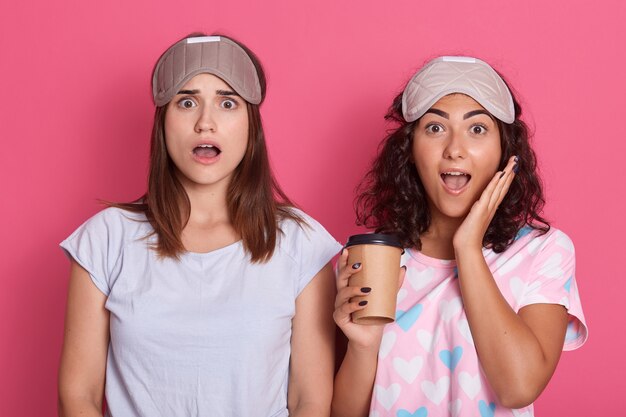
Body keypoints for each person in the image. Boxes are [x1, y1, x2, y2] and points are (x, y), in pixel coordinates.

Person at [58, 33, 341, 417]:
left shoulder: (300, 241)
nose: (205, 123)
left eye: (227, 103)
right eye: (187, 102)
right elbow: (79, 396)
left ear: (250, 124)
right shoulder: (106, 237)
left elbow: (309, 400)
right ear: (163, 121)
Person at [332, 56, 587, 417]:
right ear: (409, 152)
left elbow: (518, 387)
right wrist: (363, 345)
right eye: (435, 128)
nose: (454, 148)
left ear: (505, 153)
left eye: (478, 129)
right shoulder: (377, 256)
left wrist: (467, 247)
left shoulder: (542, 251)